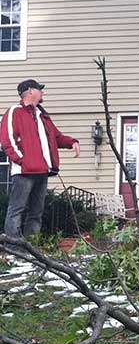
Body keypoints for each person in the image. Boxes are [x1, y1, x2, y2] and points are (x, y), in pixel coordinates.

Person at [1, 79, 80, 240]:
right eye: (39, 89)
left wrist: (72, 142)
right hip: (23, 171)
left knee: (36, 212)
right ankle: (14, 247)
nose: (42, 92)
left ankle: (32, 248)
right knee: (17, 209)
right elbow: (7, 140)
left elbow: (56, 137)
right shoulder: (14, 112)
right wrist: (23, 160)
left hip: (42, 171)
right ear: (30, 91)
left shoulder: (42, 115)